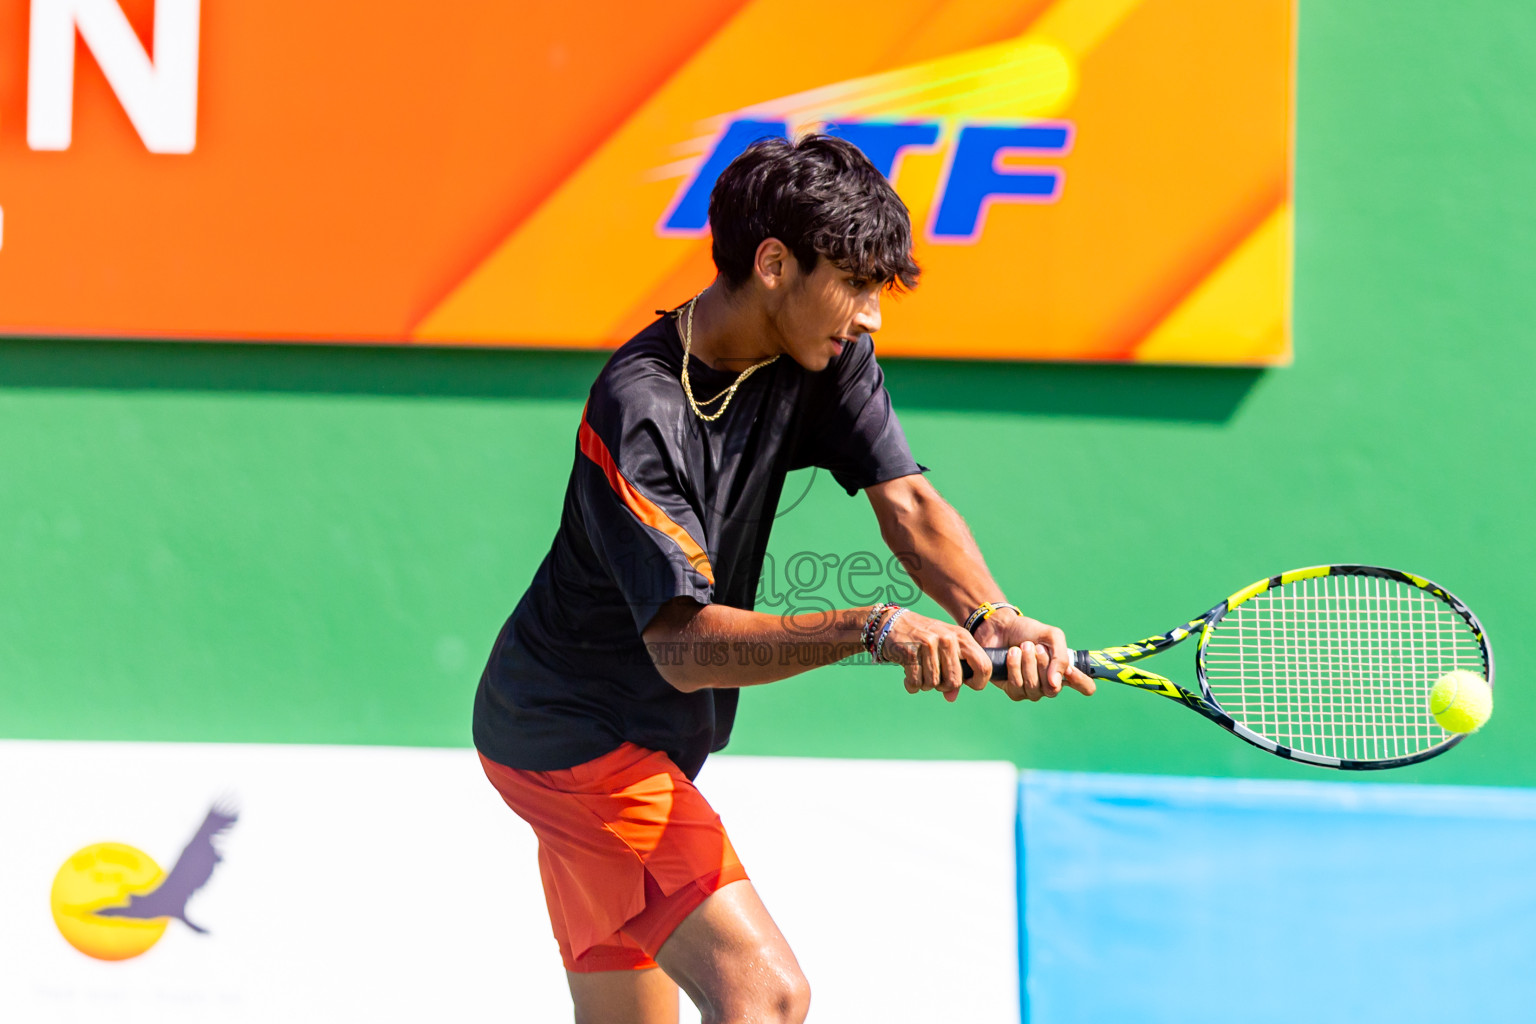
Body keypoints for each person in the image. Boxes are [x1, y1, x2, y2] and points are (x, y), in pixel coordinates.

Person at [473, 134, 1095, 1024]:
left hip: (632, 740)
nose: (872, 315)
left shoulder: (824, 355)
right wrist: (875, 627)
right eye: (856, 285)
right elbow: (685, 649)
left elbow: (910, 506)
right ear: (773, 263)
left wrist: (996, 617)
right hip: (573, 739)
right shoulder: (639, 408)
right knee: (766, 997)